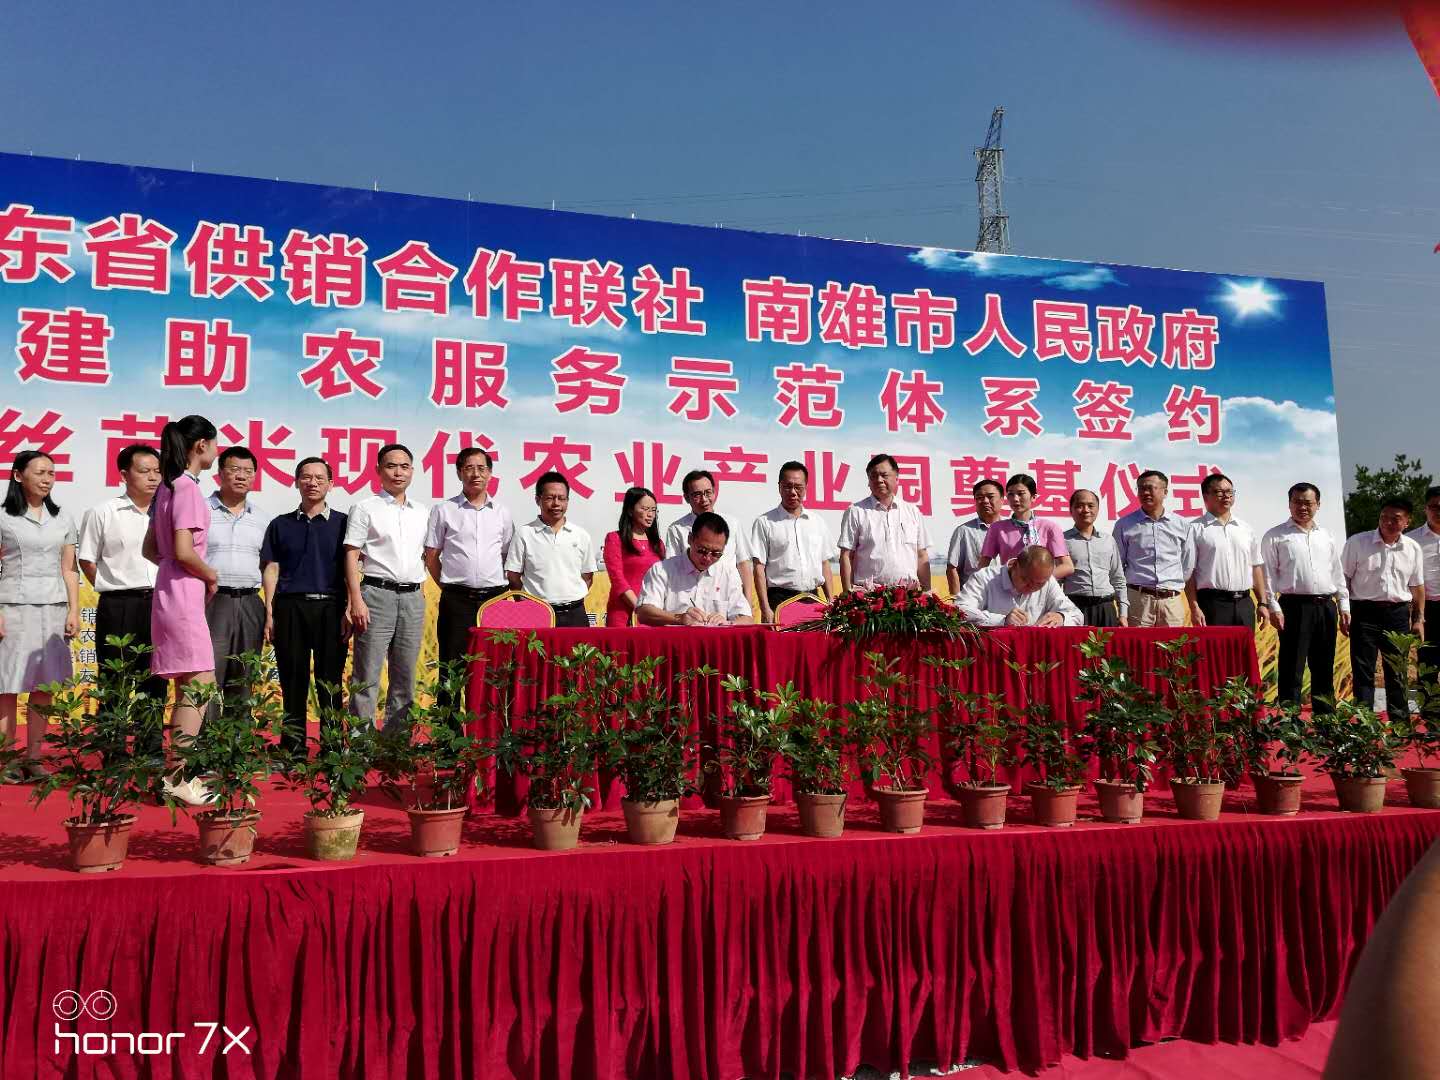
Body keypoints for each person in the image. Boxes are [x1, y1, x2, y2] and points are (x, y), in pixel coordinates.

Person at [142, 414, 220, 806]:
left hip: (168, 590)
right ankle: (177, 777)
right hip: (185, 594)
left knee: (187, 686)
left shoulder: (166, 488)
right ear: (201, 445)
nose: (216, 451)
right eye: (215, 444)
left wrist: (176, 568)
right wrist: (210, 574)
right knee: (200, 685)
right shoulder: (187, 488)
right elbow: (185, 550)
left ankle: (175, 775)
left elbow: (151, 549)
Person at [261, 457, 349, 758]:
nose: (313, 482)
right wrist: (270, 612)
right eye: (306, 477)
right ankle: (293, 747)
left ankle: (332, 746)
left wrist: (349, 608)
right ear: (296, 481)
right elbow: (271, 568)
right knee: (292, 678)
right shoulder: (280, 524)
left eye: (320, 478)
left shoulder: (344, 523)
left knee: (330, 680)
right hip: (290, 608)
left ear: (331, 484)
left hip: (331, 608)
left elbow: (353, 569)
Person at [0, 451, 78, 782]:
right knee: (7, 686)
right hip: (13, 607)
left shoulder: (62, 518)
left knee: (45, 686)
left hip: (54, 608)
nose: (47, 479)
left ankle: (34, 759)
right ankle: (6, 761)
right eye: (40, 472)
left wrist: (73, 609)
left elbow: (69, 568)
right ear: (19, 475)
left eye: (51, 473)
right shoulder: (4, 517)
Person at [78, 444, 168, 730]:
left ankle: (150, 747)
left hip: (160, 604)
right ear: (124, 474)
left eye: (157, 471)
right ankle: (112, 747)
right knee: (114, 679)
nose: (153, 477)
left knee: (155, 679)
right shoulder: (103, 512)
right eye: (144, 471)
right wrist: (112, 586)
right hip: (118, 606)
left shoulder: (168, 513)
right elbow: (87, 560)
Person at [345, 443, 429, 727]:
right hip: (376, 595)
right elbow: (351, 554)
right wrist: (356, 600)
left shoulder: (422, 512)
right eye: (391, 466)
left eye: (404, 467)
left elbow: (426, 555)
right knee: (367, 675)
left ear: (412, 471)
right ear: (379, 470)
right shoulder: (365, 508)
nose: (398, 472)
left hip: (413, 598)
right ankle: (361, 744)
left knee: (405, 675)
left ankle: (396, 743)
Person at [424, 447, 514, 695]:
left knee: (495, 667)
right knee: (451, 668)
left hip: (495, 600)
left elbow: (507, 556)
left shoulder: (502, 513)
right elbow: (431, 556)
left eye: (482, 468)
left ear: (490, 473)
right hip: (457, 600)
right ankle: (449, 722)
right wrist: (449, 587)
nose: (476, 474)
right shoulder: (444, 510)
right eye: (469, 468)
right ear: (459, 473)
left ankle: (492, 721)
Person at [1261, 482, 1349, 715]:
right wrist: (1273, 607)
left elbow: (1336, 572)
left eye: (1308, 503)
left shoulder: (1327, 536)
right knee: (1292, 666)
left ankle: (1326, 721)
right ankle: (1290, 722)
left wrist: (1343, 605)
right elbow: (1267, 576)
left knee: (1324, 666)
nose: (1302, 507)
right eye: (1297, 502)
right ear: (1289, 504)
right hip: (1294, 607)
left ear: (1318, 505)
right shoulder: (1275, 536)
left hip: (1326, 606)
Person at [1343, 497, 1425, 722]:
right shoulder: (1357, 543)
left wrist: (1418, 619)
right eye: (1384, 517)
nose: (1388, 522)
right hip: (1364, 613)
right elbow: (1344, 579)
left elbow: (1417, 586)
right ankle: (1364, 724)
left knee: (1397, 672)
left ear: (1407, 522)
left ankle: (1400, 725)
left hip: (1397, 615)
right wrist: (1345, 610)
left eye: (1395, 519)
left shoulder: (1412, 548)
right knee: (1363, 671)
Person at [205, 446, 270, 721]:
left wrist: (270, 609)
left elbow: (269, 567)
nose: (241, 476)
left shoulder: (262, 518)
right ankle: (205, 741)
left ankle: (238, 741)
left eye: (248, 471)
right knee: (207, 676)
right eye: (234, 470)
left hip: (251, 602)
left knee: (244, 677)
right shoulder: (201, 510)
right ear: (220, 473)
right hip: (211, 602)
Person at [505, 471, 597, 628]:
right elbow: (513, 577)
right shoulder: (524, 534)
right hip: (536, 615)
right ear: (537, 500)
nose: (556, 504)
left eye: (561, 498)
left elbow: (587, 576)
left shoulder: (581, 535)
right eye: (550, 498)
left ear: (567, 501)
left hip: (575, 614)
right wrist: (527, 605)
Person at [749, 460, 836, 623]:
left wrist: (831, 601)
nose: (793, 492)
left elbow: (824, 563)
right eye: (788, 486)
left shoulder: (817, 522)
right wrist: (765, 608)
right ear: (779, 487)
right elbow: (759, 567)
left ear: (806, 488)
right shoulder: (765, 522)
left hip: (813, 600)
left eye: (798, 487)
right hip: (780, 600)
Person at [637, 512, 754, 626]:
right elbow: (644, 612)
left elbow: (747, 619)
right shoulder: (662, 570)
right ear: (690, 539)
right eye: (702, 551)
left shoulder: (728, 573)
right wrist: (679, 618)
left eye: (716, 554)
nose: (707, 558)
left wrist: (728, 623)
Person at [837, 453, 932, 592]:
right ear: (868, 481)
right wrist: (847, 593)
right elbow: (846, 555)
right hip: (869, 595)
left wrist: (927, 592)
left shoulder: (912, 511)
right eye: (873, 476)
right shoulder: (856, 511)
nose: (879, 480)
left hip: (908, 595)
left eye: (884, 475)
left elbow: (921, 555)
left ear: (897, 477)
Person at [1112, 469, 1195, 627]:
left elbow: (1187, 565)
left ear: (1165, 492)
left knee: (1174, 643)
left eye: (1151, 488)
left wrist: (1171, 585)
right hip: (1138, 599)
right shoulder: (1124, 525)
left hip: (1171, 601)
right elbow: (1117, 566)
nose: (1145, 493)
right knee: (1137, 643)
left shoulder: (1182, 524)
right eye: (1141, 488)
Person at [664, 469, 756, 608]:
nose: (704, 499)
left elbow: (743, 564)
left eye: (708, 492)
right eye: (697, 494)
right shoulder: (677, 529)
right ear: (687, 498)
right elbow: (673, 568)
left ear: (714, 491)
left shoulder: (732, 523)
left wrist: (747, 603)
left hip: (728, 596)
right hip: (692, 599)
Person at [1185, 473, 1265, 629]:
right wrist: (1194, 607)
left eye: (1230, 492)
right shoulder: (1194, 529)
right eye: (1219, 492)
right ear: (1205, 496)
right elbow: (1189, 573)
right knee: (1212, 646)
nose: (1226, 496)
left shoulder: (1245, 529)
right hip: (1212, 605)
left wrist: (1262, 602)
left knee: (1245, 645)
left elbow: (1255, 566)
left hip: (1244, 604)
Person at [957, 546, 1082, 628]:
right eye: (1026, 580)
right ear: (1014, 564)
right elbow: (959, 611)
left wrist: (1061, 617)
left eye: (1039, 584)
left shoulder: (1048, 582)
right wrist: (1002, 621)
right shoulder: (985, 578)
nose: (1032, 587)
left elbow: (1077, 615)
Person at [978, 473, 1073, 579]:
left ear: (1033, 497)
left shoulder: (1049, 527)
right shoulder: (997, 528)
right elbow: (983, 565)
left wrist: (1039, 580)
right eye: (1011, 494)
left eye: (1020, 494)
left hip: (1042, 586)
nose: (1015, 499)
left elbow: (1067, 566)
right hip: (1009, 585)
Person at [1063, 489, 1127, 627]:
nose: (1086, 510)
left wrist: (1123, 613)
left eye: (1091, 505)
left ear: (1097, 509)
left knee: (1108, 642)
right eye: (1080, 506)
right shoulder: (1062, 541)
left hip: (1106, 608)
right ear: (1071, 510)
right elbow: (1056, 582)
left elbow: (1118, 578)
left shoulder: (1108, 540)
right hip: (1075, 607)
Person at [602, 486, 664, 628]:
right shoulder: (615, 539)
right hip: (623, 614)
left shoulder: (658, 544)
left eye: (653, 510)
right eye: (645, 509)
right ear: (630, 510)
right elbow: (618, 580)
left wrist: (653, 612)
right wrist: (640, 608)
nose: (650, 514)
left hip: (652, 613)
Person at [945, 478, 1004, 597]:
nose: (985, 501)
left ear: (1002, 500)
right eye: (979, 498)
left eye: (990, 496)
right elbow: (952, 568)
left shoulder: (1011, 530)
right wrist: (957, 601)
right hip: (974, 598)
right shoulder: (964, 531)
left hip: (1006, 597)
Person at [1407, 485, 1440, 679]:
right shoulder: (1410, 540)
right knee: (1428, 664)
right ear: (1425, 508)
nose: (1438, 511)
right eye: (1434, 506)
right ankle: (1429, 700)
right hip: (1426, 609)